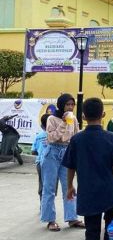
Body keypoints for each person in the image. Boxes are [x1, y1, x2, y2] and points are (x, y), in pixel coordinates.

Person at [62, 98, 113, 240]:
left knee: (91, 231)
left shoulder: (77, 139)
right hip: (109, 192)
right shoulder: (111, 138)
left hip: (88, 193)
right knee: (110, 229)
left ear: (83, 116)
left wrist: (69, 186)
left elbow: (70, 166)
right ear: (103, 114)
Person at [41, 93, 83, 231]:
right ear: (61, 105)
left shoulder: (74, 119)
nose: (70, 107)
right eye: (67, 104)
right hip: (52, 152)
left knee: (69, 187)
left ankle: (72, 218)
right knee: (49, 187)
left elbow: (76, 136)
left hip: (67, 152)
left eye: (72, 105)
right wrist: (64, 123)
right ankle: (50, 219)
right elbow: (52, 137)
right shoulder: (52, 119)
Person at [31, 113, 50, 203]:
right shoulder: (55, 135)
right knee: (50, 185)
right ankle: (48, 205)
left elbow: (33, 151)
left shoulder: (38, 136)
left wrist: (40, 150)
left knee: (41, 183)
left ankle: (42, 204)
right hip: (51, 163)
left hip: (39, 163)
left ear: (42, 125)